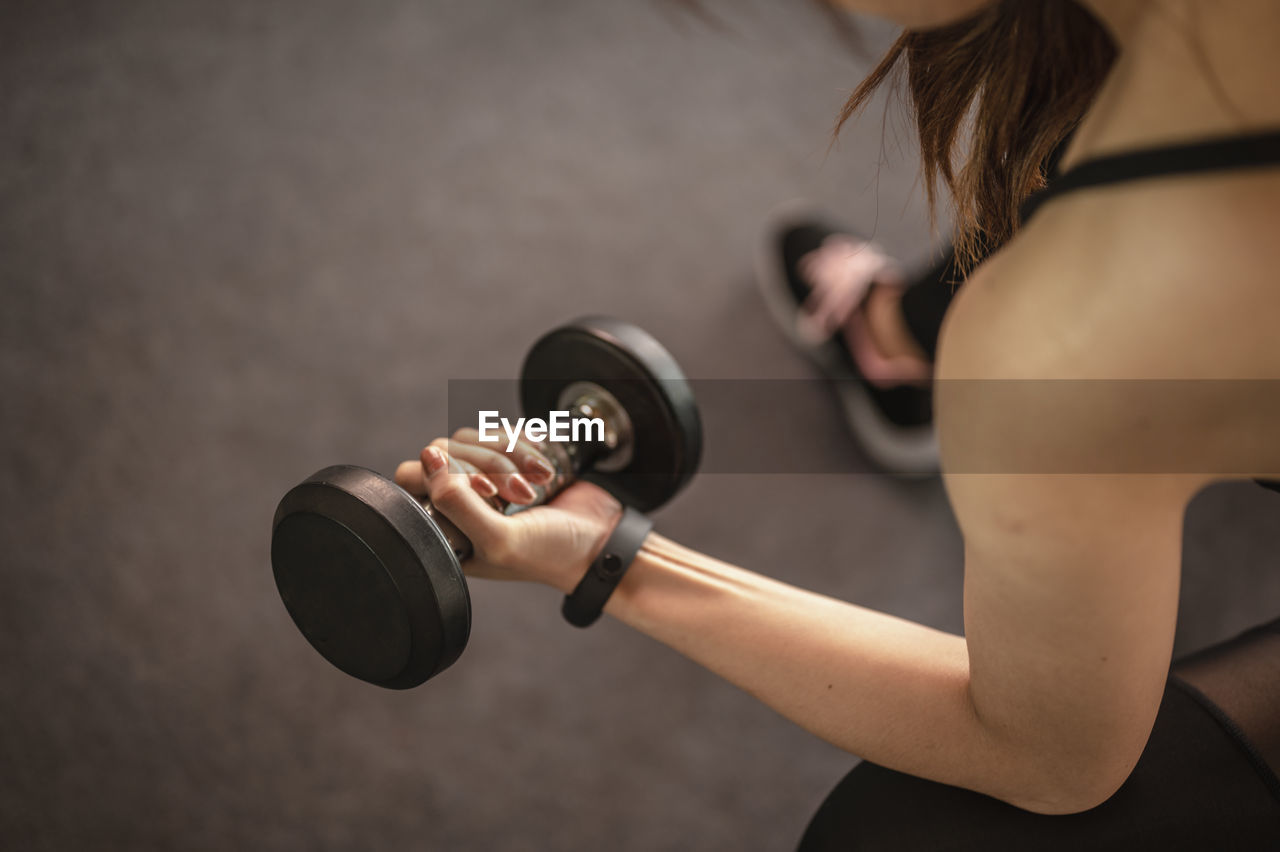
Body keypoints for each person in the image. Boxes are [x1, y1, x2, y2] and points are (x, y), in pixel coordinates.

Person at [395, 0, 1280, 845]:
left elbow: (1048, 757)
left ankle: (902, 343)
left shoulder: (1062, 346)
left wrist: (601, 555)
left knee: (890, 838)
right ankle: (898, 339)